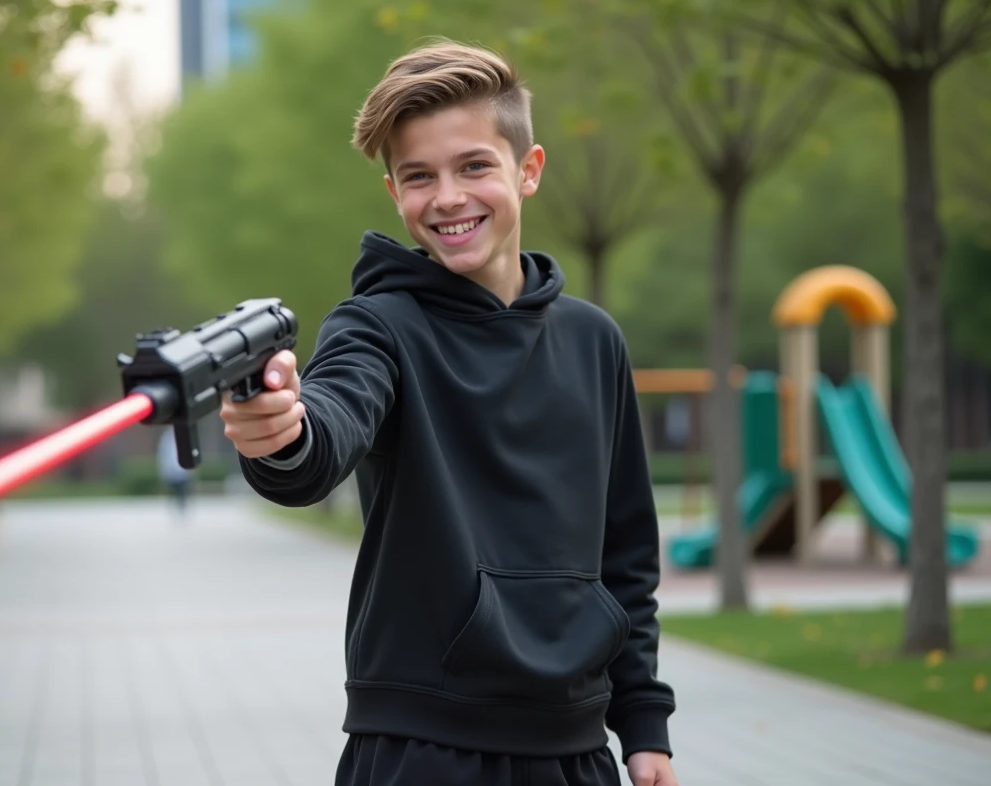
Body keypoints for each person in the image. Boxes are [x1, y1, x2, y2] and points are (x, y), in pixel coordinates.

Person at [219, 40, 677, 786]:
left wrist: (645, 726)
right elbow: (327, 424)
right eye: (418, 177)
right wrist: (281, 433)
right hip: (419, 748)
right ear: (396, 195)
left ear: (527, 171)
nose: (448, 198)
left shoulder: (595, 340)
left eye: (473, 166)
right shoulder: (375, 326)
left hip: (577, 749)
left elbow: (626, 553)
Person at [156, 426, 192, 518]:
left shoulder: (182, 438)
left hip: (182, 471)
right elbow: (164, 455)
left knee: (182, 492)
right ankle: (176, 510)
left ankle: (182, 509)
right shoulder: (166, 439)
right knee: (174, 491)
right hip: (172, 471)